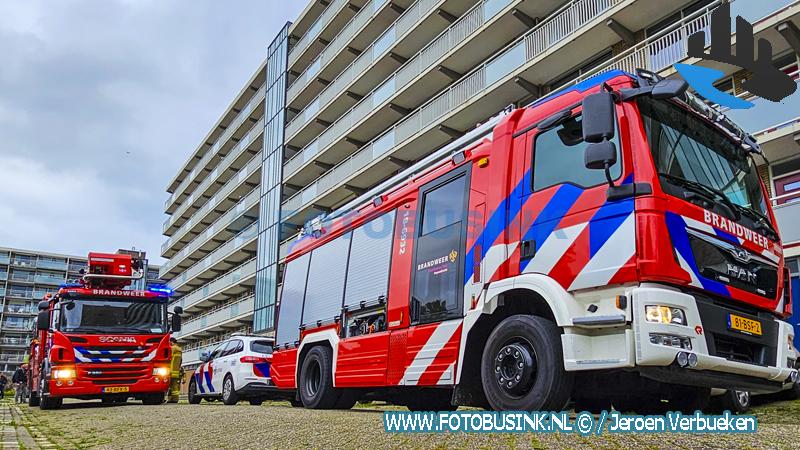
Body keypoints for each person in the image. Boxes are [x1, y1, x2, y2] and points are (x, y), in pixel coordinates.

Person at [168, 338, 183, 403]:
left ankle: (173, 399)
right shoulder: (179, 349)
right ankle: (173, 399)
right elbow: (180, 361)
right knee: (175, 386)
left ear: (172, 342)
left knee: (171, 386)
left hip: (171, 370)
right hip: (176, 371)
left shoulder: (173, 348)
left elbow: (168, 358)